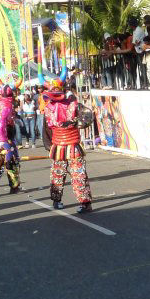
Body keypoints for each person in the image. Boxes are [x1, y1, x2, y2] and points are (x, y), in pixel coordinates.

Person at [42, 79, 92, 213]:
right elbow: (46, 128)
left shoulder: (73, 104)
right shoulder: (48, 108)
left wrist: (76, 123)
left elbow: (88, 118)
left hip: (71, 144)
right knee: (58, 174)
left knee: (78, 174)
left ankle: (85, 202)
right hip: (59, 145)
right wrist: (49, 145)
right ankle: (57, 200)